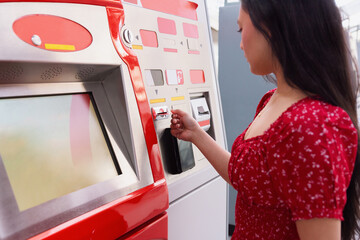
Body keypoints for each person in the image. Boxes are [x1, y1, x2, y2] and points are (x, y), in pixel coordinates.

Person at [170, 0, 360, 239]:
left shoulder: (312, 127)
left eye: (241, 29)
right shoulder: (271, 100)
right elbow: (248, 180)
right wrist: (196, 134)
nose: (239, 44)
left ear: (272, 25)